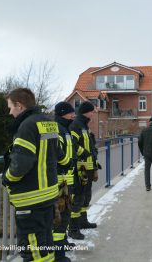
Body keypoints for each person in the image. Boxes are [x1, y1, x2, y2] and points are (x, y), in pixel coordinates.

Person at [2, 88, 60, 261]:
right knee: (44, 245)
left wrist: (7, 179)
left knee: (32, 251)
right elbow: (58, 153)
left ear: (19, 105)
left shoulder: (26, 126)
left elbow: (21, 164)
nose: (9, 112)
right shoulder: (48, 122)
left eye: (10, 107)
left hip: (31, 199)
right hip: (47, 195)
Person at [69, 101, 99, 239]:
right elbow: (72, 146)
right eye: (92, 111)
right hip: (81, 168)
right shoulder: (76, 125)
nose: (93, 113)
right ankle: (73, 228)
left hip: (88, 167)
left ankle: (83, 221)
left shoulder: (84, 126)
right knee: (78, 198)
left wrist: (94, 162)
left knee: (86, 196)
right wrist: (85, 154)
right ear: (86, 112)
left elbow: (91, 145)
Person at [54, 101, 77, 261]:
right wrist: (67, 163)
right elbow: (57, 154)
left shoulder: (65, 129)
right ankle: (57, 253)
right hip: (60, 181)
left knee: (66, 215)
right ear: (63, 113)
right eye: (70, 113)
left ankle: (62, 242)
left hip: (67, 179)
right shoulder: (58, 130)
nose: (73, 115)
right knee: (60, 218)